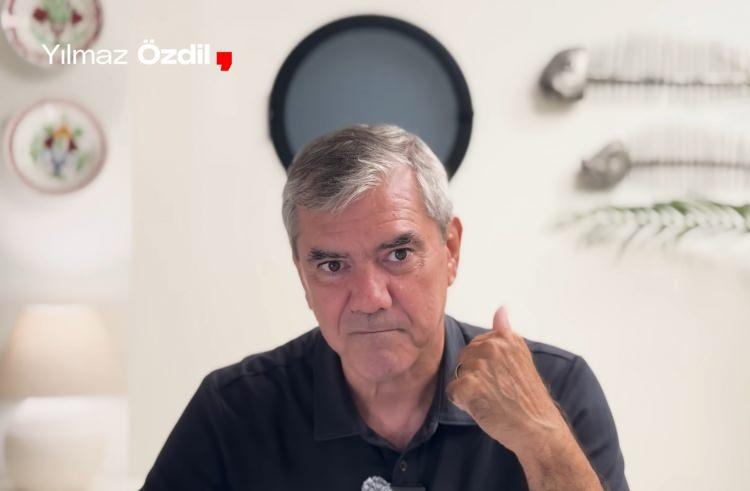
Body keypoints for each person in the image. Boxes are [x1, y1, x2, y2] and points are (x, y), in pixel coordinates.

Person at [141, 124, 629, 491]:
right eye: (332, 265)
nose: (370, 298)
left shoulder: (557, 388)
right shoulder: (233, 410)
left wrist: (541, 438)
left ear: (451, 250)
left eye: (398, 255)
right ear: (302, 276)